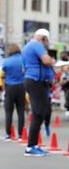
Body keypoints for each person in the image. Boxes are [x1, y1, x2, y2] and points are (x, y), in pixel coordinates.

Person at [22, 28, 55, 156]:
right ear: (43, 38)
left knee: (39, 113)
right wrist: (52, 61)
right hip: (36, 81)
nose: (47, 44)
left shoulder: (27, 46)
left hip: (32, 80)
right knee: (38, 113)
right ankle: (30, 147)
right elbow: (46, 61)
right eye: (47, 41)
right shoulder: (37, 44)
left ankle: (33, 145)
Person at [1, 44, 25, 141]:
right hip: (21, 87)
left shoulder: (6, 61)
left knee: (9, 112)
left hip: (10, 87)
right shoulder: (23, 60)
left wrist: (4, 87)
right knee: (21, 111)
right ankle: (20, 135)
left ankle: (8, 135)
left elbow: (2, 75)